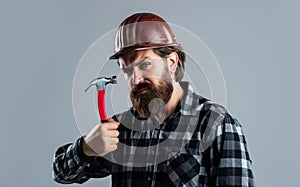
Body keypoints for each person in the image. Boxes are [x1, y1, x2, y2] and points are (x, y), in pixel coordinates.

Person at [53, 12, 255, 187]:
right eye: (127, 70)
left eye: (145, 64)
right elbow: (61, 174)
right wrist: (87, 147)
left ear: (172, 62)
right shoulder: (121, 130)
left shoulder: (215, 124)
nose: (136, 79)